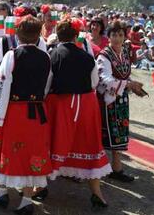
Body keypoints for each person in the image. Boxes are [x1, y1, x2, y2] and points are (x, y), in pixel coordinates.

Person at [0, 15, 52, 215]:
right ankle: (26, 199)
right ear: (38, 34)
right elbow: (47, 86)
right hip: (38, 112)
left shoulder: (12, 56)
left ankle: (2, 193)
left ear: (17, 34)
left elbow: (0, 86)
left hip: (14, 111)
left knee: (4, 148)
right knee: (33, 153)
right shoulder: (45, 57)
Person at [46, 20, 112, 210]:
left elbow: (47, 83)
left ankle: (38, 187)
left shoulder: (53, 55)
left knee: (53, 142)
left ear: (58, 36)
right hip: (85, 105)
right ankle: (97, 193)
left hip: (60, 104)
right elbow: (93, 83)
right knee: (89, 144)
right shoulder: (87, 57)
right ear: (76, 36)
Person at [97, 21, 144, 182]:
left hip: (121, 99)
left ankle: (116, 169)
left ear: (125, 37)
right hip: (108, 100)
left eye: (120, 35)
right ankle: (98, 170)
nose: (117, 38)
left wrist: (134, 87)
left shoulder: (123, 52)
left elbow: (124, 76)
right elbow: (105, 80)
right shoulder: (104, 55)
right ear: (108, 36)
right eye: (114, 35)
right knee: (105, 136)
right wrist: (128, 84)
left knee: (120, 135)